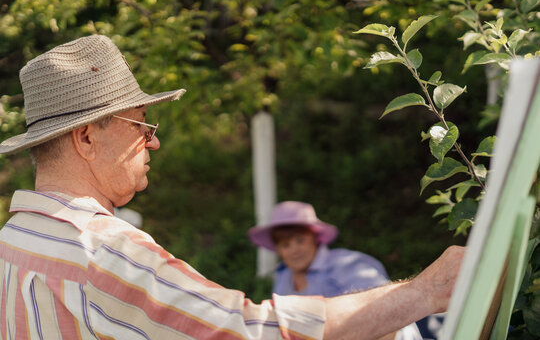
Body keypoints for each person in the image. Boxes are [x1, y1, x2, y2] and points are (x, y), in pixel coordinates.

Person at [0, 35, 464, 339]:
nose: (154, 141)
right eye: (141, 125)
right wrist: (426, 291)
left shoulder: (13, 240)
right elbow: (250, 332)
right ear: (85, 138)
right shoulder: (101, 251)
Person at [248, 201, 423, 340]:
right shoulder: (283, 275)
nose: (294, 250)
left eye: (300, 240)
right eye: (285, 244)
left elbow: (387, 316)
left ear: (314, 239)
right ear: (278, 250)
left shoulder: (348, 265)